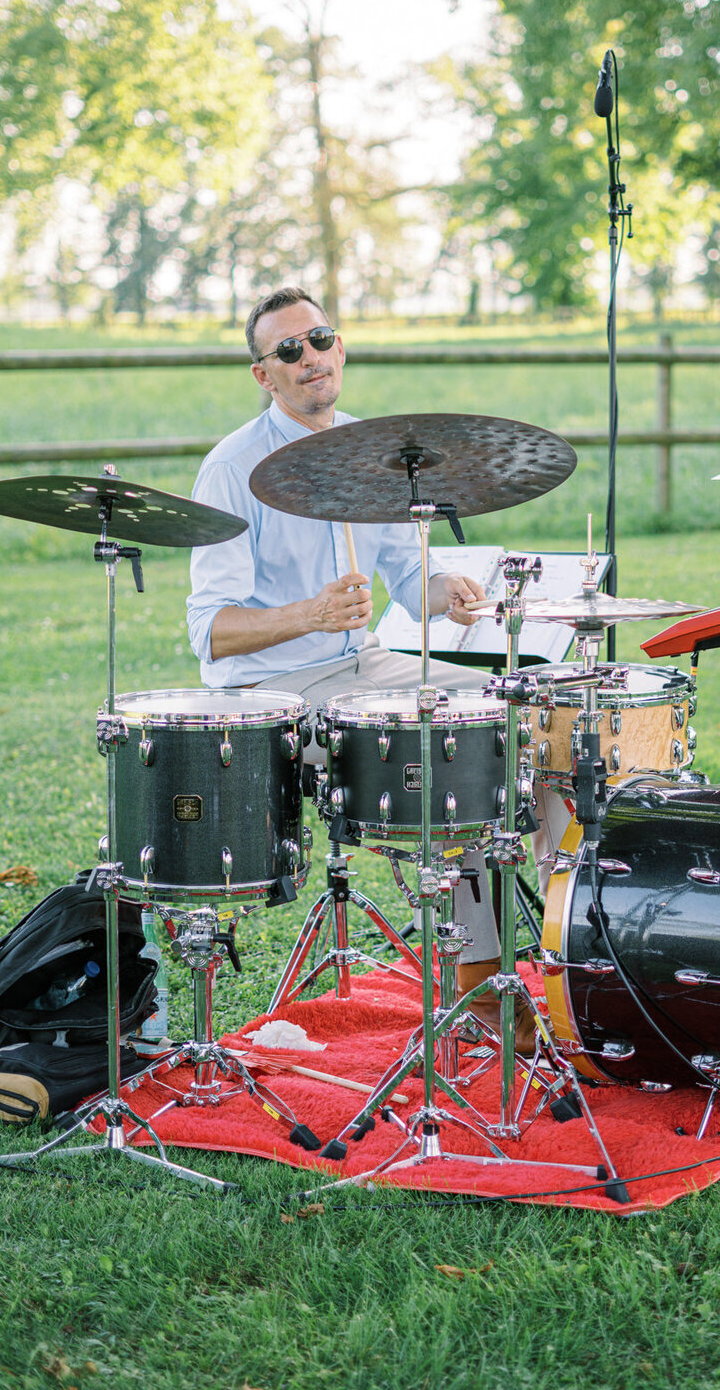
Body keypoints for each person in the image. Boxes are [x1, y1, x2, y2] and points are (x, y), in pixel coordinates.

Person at [186, 285, 532, 1045]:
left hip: (368, 665)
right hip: (274, 691)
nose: (309, 357)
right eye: (288, 350)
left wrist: (453, 593)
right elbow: (210, 633)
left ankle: (583, 954)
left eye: (320, 339)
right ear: (263, 374)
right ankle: (482, 995)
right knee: (460, 767)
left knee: (509, 717)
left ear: (340, 348)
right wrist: (307, 614)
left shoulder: (375, 455)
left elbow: (410, 585)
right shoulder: (233, 469)